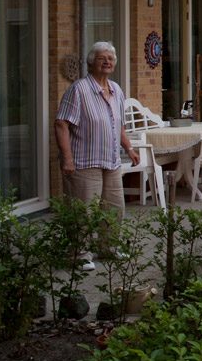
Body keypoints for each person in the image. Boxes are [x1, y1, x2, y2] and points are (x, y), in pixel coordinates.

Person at [55, 41, 139, 270]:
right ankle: (80, 255)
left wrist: (129, 148)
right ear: (91, 62)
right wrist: (67, 158)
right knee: (84, 210)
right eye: (102, 58)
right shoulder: (79, 89)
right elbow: (61, 123)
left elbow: (118, 124)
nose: (107, 62)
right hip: (84, 162)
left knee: (114, 208)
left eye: (110, 59)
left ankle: (108, 248)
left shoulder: (116, 90)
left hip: (110, 161)